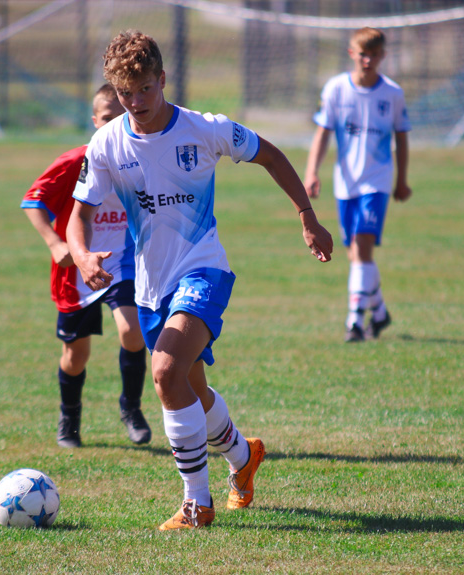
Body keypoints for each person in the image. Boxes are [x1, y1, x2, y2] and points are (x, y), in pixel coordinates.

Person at [67, 30, 333, 531]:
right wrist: (81, 256)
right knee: (191, 390)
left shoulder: (203, 130)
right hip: (150, 286)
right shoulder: (106, 143)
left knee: (165, 371)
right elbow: (77, 215)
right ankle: (243, 456)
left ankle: (196, 504)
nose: (136, 102)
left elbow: (270, 155)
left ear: (162, 79)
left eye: (145, 88)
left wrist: (307, 216)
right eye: (125, 93)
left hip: (203, 268)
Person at [21, 84, 152, 448]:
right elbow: (34, 201)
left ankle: (131, 408)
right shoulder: (75, 161)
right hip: (75, 272)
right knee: (75, 356)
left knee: (132, 330)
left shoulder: (138, 158)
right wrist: (54, 241)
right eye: (107, 118)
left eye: (121, 117)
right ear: (95, 121)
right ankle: (70, 416)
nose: (114, 125)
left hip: (121, 263)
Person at [303, 27, 412, 343]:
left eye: (374, 55)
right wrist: (312, 172)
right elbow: (322, 134)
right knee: (355, 255)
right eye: (362, 54)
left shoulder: (392, 94)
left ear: (383, 56)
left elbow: (402, 139)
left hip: (376, 182)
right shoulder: (337, 89)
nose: (368, 60)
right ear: (352, 53)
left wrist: (402, 180)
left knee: (362, 249)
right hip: (345, 183)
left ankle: (355, 321)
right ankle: (379, 312)